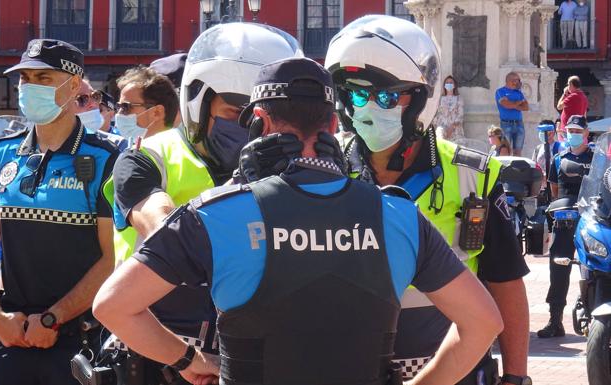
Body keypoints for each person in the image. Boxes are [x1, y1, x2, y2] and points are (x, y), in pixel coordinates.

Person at [93, 56, 503, 385]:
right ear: (331, 127)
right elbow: (483, 322)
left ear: (261, 125)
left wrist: (186, 359)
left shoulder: (215, 214)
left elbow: (113, 306)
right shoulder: (396, 214)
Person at [325, 15, 531, 385]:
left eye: (387, 96)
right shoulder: (327, 170)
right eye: (357, 94)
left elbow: (506, 281)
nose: (369, 107)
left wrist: (517, 377)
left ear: (422, 99)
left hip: (455, 370)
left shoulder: (475, 175)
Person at [101, 23, 303, 384]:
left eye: (260, 119)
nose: (250, 131)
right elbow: (162, 228)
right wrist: (241, 186)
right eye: (233, 113)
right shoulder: (147, 159)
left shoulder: (290, 166)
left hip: (252, 358)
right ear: (198, 102)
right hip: (159, 356)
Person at [0, 39, 118, 385]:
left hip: (80, 342)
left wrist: (52, 319)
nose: (30, 87)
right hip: (11, 336)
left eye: (44, 78)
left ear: (73, 85)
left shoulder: (105, 158)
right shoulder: (2, 154)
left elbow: (112, 259)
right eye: (24, 78)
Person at [538, 114, 593, 338]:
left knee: (592, 271)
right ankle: (555, 321)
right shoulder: (559, 158)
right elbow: (554, 192)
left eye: (579, 131)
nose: (574, 135)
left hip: (589, 222)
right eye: (571, 131)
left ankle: (594, 320)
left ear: (587, 133)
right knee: (558, 270)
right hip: (564, 222)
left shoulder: (596, 159)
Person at [495, 72, 529, 156]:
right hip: (506, 124)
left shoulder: (519, 93)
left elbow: (526, 107)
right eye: (517, 80)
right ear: (510, 80)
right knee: (505, 150)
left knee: (518, 151)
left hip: (519, 123)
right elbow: (507, 105)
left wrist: (514, 104)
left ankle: (516, 168)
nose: (519, 82)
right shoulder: (500, 91)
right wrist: (517, 103)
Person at [433, 75, 464, 141]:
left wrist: (452, 127)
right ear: (444, 85)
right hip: (442, 129)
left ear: (454, 85)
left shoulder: (459, 98)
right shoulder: (440, 99)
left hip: (455, 130)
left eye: (451, 82)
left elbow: (460, 115)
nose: (449, 84)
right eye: (447, 83)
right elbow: (436, 114)